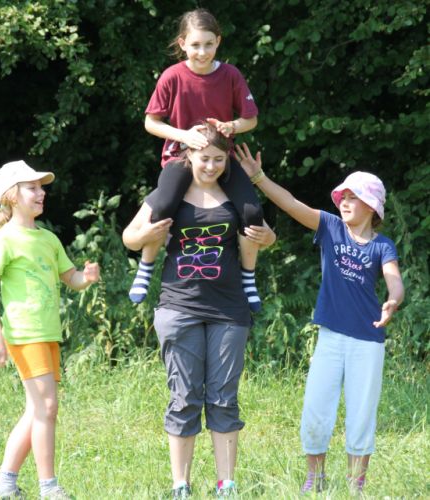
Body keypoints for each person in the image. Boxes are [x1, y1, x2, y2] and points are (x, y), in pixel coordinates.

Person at [235, 144, 404, 495]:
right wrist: (258, 177)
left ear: (372, 206)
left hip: (368, 341)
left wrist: (393, 300)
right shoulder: (330, 227)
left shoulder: (382, 245)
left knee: (362, 413)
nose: (345, 202)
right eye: (343, 196)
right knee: (315, 410)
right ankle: (316, 478)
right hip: (330, 337)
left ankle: (356, 485)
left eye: (354, 197)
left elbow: (394, 279)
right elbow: (291, 203)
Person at [123, 124, 275, 498]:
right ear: (189, 155)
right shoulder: (169, 194)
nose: (210, 166)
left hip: (229, 309)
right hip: (179, 307)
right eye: (204, 158)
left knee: (224, 398)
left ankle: (227, 485)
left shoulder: (235, 196)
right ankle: (181, 485)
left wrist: (267, 238)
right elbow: (130, 236)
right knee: (184, 397)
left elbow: (267, 235)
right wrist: (147, 236)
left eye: (218, 160)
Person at [0, 160, 100, 499]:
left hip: (48, 334)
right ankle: (49, 487)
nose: (41, 192)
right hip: (24, 335)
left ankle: (5, 484)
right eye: (32, 188)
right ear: (11, 196)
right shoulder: (4, 240)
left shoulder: (48, 238)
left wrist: (86, 279)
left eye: (41, 187)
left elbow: (70, 278)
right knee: (47, 408)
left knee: (37, 410)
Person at [129, 8, 264, 313]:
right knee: (163, 207)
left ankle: (248, 276)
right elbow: (151, 122)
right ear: (182, 44)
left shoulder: (230, 75)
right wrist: (183, 135)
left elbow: (250, 119)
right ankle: (146, 267)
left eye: (208, 44)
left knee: (252, 212)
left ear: (218, 42)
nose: (202, 52)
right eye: (195, 45)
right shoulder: (172, 76)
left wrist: (231, 126)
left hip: (220, 157)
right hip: (180, 156)